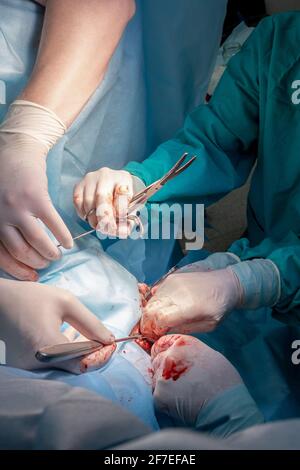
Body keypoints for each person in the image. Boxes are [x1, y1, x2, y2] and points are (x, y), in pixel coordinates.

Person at [77, 11, 300, 338]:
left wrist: (256, 280)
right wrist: (140, 182)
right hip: (259, 270)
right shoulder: (281, 42)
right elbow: (216, 141)